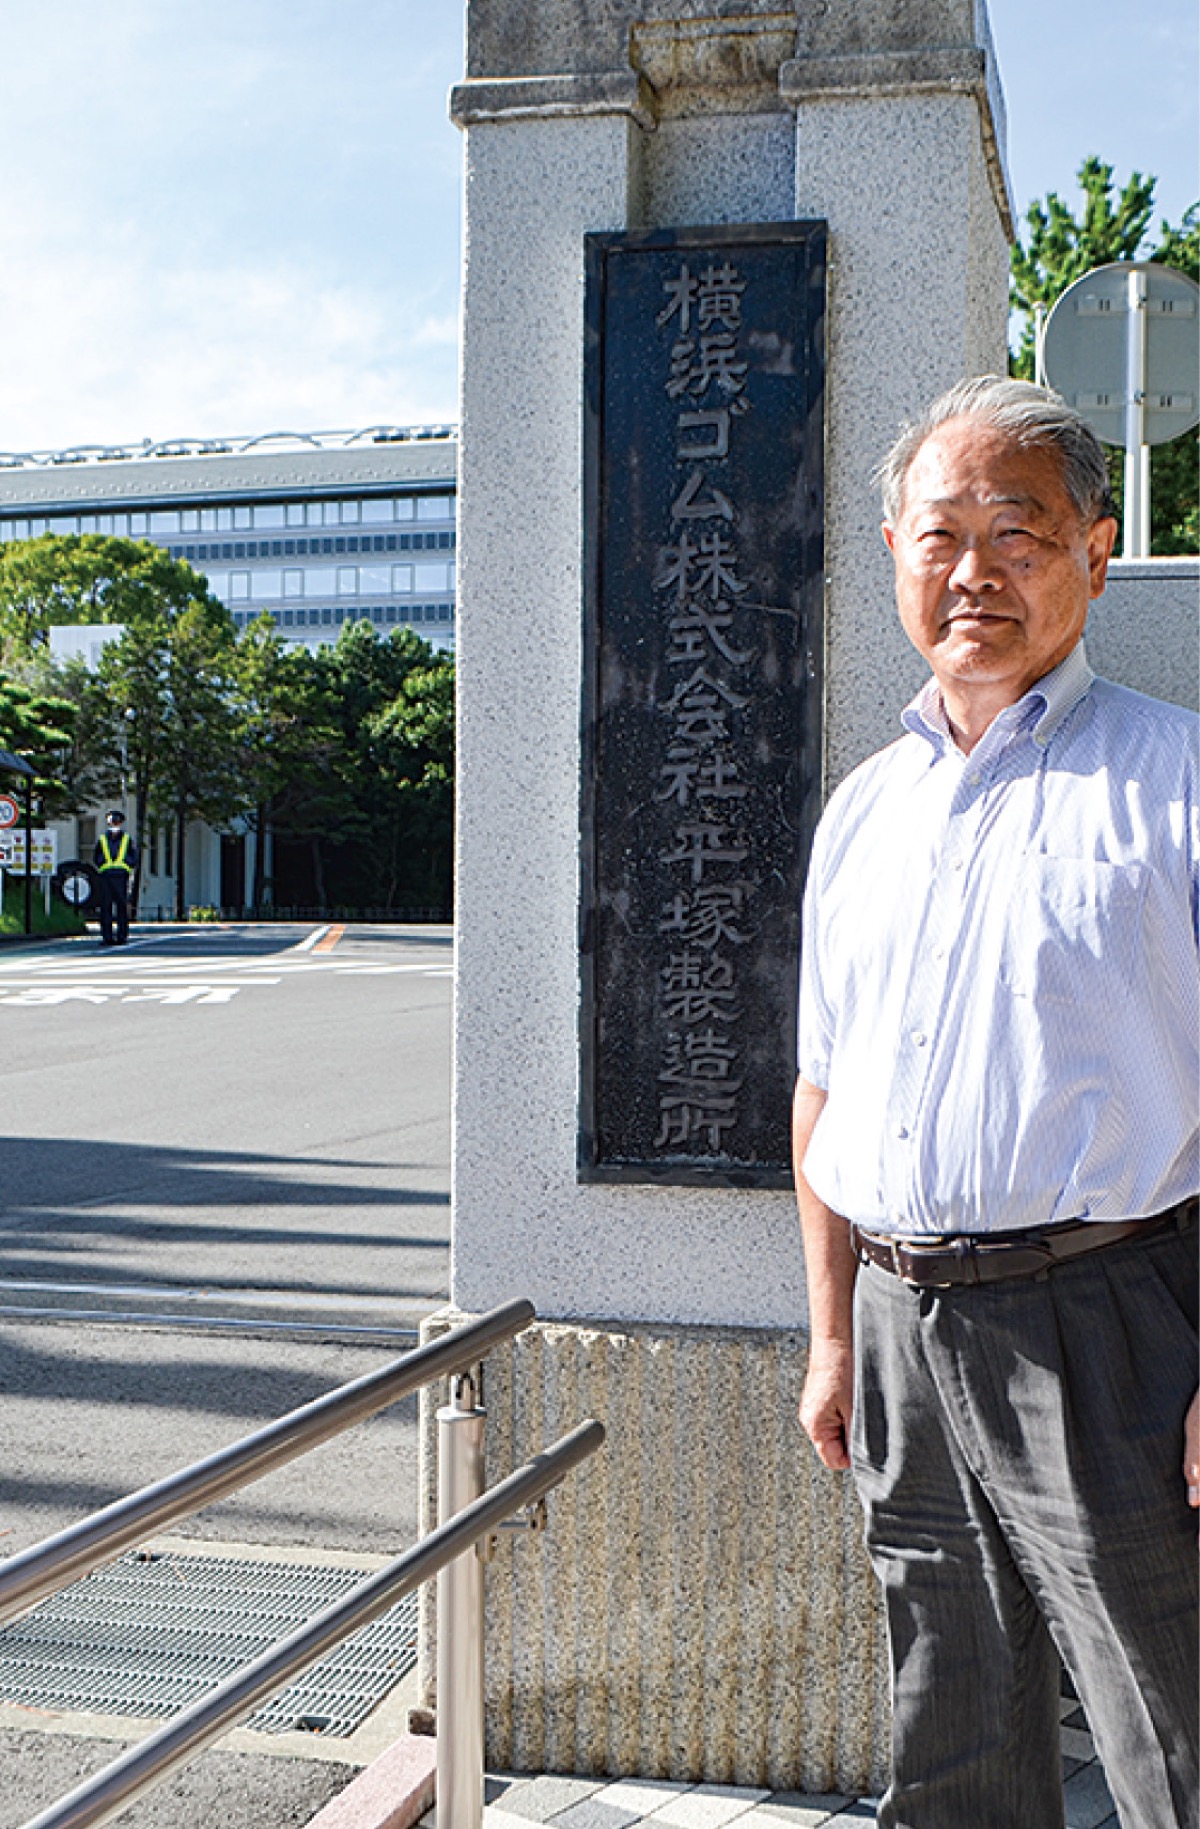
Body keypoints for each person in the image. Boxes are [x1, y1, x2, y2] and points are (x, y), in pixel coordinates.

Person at [793, 375, 1198, 1829]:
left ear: (1094, 551)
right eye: (942, 533)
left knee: (1173, 1729)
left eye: (1017, 533)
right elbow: (825, 1085)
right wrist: (831, 1334)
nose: (976, 570)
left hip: (1116, 1321)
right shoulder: (864, 808)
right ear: (894, 551)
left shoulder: (1176, 778)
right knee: (950, 1728)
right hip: (899, 1326)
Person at [93, 809, 138, 947]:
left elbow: (134, 856)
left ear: (120, 823)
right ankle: (107, 937)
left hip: (121, 877)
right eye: (112, 822)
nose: (114, 825)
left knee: (121, 907)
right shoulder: (102, 839)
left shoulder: (127, 839)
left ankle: (121, 936)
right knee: (105, 907)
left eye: (116, 822)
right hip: (106, 876)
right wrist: (102, 864)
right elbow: (96, 856)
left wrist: (127, 865)